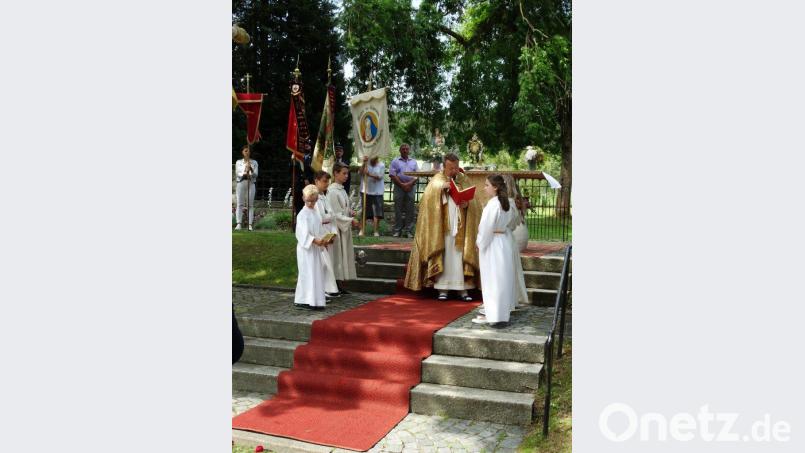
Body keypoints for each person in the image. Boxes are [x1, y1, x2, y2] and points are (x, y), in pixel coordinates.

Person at [403, 153, 481, 301]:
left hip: (461, 226)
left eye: (456, 167)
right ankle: (442, 288)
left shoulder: (464, 179)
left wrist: (468, 204)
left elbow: (476, 202)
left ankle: (463, 289)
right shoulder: (437, 180)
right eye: (451, 168)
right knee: (445, 254)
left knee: (459, 255)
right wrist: (440, 191)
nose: (454, 171)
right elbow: (426, 201)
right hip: (443, 227)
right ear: (444, 167)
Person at [473, 175, 515, 325]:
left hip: (492, 243)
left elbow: (486, 228)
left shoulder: (492, 204)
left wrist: (479, 243)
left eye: (486, 185)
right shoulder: (507, 204)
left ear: (495, 187)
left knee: (492, 279)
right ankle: (500, 314)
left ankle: (493, 315)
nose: (484, 188)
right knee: (502, 278)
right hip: (503, 241)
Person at [294, 185, 334, 310]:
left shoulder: (316, 213)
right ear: (303, 198)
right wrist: (314, 240)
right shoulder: (302, 214)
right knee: (308, 273)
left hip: (316, 248)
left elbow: (319, 229)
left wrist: (326, 238)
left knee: (316, 273)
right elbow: (302, 233)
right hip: (306, 249)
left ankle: (315, 299)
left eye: (313, 201)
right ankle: (305, 299)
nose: (310, 203)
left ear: (317, 199)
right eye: (308, 201)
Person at [327, 162, 359, 293]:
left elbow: (343, 209)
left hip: (343, 229)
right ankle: (334, 283)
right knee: (337, 256)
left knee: (343, 255)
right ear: (335, 173)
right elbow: (335, 214)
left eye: (347, 173)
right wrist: (350, 220)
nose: (346, 176)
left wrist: (350, 212)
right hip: (337, 229)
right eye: (343, 173)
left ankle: (340, 282)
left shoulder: (342, 190)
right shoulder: (332, 192)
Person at [313, 171, 341, 298]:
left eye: (328, 182)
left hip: (328, 231)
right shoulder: (313, 198)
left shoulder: (324, 197)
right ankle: (322, 289)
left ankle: (329, 288)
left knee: (329, 262)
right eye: (324, 181)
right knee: (322, 263)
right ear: (316, 181)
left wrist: (333, 233)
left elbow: (332, 216)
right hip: (320, 234)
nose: (326, 184)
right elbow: (316, 218)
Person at [503, 174, 529, 310]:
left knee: (507, 270)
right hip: (512, 238)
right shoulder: (514, 201)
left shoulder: (506, 203)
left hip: (506, 238)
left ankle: (508, 299)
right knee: (513, 269)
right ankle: (514, 298)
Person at [389, 143, 419, 238]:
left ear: (409, 150)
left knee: (410, 209)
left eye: (407, 149)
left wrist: (409, 184)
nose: (405, 150)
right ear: (400, 150)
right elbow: (392, 175)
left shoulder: (414, 162)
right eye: (403, 149)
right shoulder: (395, 161)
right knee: (398, 209)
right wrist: (402, 185)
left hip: (411, 188)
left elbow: (417, 175)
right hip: (399, 187)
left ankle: (409, 231)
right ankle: (397, 230)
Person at [359, 155, 385, 237]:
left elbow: (380, 177)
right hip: (365, 191)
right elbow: (360, 173)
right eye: (371, 159)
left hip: (377, 192)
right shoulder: (366, 164)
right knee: (364, 211)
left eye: (374, 159)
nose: (372, 160)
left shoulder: (381, 165)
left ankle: (376, 231)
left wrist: (369, 174)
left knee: (377, 213)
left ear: (377, 158)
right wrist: (364, 163)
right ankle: (362, 230)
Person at [235, 145, 258, 231]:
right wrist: (244, 172)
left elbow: (256, 174)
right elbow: (237, 173)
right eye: (245, 151)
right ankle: (239, 224)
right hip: (241, 182)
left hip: (251, 183)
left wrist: (251, 169)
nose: (247, 152)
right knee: (240, 203)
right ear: (242, 152)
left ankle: (250, 224)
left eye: (248, 151)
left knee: (250, 204)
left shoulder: (254, 162)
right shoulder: (238, 162)